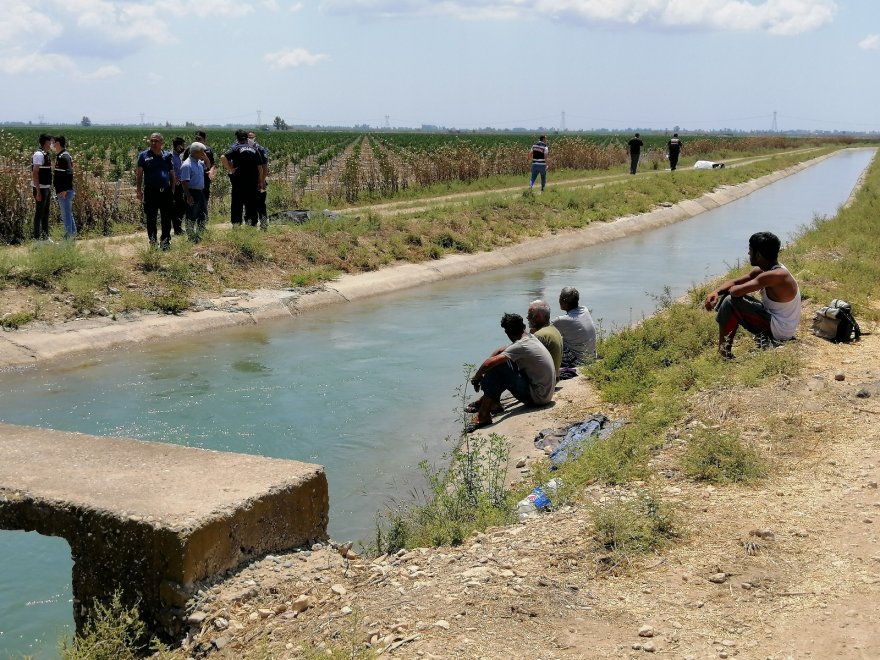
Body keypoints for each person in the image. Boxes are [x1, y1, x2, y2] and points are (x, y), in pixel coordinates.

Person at [703, 231, 801, 359]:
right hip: (777, 322)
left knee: (730, 301)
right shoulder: (768, 269)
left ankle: (723, 353)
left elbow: (735, 291)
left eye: (750, 250)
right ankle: (724, 349)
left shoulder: (775, 275)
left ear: (758, 254)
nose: (748, 253)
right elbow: (735, 282)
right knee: (730, 297)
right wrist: (715, 292)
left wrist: (727, 292)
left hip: (780, 330)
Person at [467, 313, 556, 430]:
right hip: (546, 393)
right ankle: (493, 403)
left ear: (507, 332)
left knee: (498, 368)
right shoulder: (530, 338)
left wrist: (477, 377)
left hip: (538, 397)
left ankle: (483, 415)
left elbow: (489, 363)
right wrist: (492, 359)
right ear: (523, 327)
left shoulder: (521, 346)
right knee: (502, 363)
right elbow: (501, 351)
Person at [135, 132, 176, 249]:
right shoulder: (143, 155)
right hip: (151, 191)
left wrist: (172, 190)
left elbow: (172, 174)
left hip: (166, 192)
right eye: (151, 140)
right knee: (151, 218)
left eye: (156, 141)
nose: (153, 143)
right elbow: (139, 174)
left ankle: (165, 242)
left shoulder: (167, 156)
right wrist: (138, 190)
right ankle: (153, 242)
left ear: (162, 143)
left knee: (166, 218)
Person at [221, 129, 264, 226]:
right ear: (246, 138)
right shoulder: (255, 150)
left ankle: (236, 224)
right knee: (251, 203)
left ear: (237, 138)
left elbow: (223, 157)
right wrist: (261, 181)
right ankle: (252, 223)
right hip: (252, 181)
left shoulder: (235, 149)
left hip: (238, 181)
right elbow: (260, 168)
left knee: (237, 203)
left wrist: (230, 169)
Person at [552, 286, 597, 367]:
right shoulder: (585, 310)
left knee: (550, 340)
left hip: (579, 361)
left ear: (563, 301)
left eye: (559, 297)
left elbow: (542, 329)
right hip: (592, 357)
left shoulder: (562, 320)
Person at [179, 142, 209, 241]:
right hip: (191, 192)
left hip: (200, 192)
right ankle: (191, 237)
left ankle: (200, 234)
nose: (203, 154)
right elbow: (184, 182)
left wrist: (204, 157)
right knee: (191, 215)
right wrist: (188, 196)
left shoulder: (198, 162)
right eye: (202, 152)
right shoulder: (187, 165)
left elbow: (208, 165)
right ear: (196, 152)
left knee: (202, 213)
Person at [527, 299, 562, 375]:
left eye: (529, 315)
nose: (527, 318)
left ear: (538, 317)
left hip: (543, 383)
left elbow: (526, 359)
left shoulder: (539, 336)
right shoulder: (554, 329)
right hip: (554, 377)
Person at [52, 135, 76, 240]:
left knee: (66, 216)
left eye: (53, 143)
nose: (52, 145)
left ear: (58, 144)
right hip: (63, 191)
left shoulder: (64, 157)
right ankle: (72, 235)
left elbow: (69, 172)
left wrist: (65, 189)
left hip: (64, 192)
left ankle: (67, 240)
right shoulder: (60, 156)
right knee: (68, 214)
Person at [183, 131, 216, 204]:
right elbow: (183, 163)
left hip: (205, 177)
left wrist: (211, 171)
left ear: (204, 140)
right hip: (192, 179)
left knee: (204, 198)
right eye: (196, 138)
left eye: (199, 139)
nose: (197, 141)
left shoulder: (208, 150)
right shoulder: (189, 149)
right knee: (193, 202)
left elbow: (212, 164)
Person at [31, 133, 53, 241]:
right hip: (40, 188)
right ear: (45, 143)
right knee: (39, 214)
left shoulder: (46, 154)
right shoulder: (39, 155)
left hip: (46, 188)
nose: (51, 145)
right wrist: (38, 191)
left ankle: (45, 237)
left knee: (45, 213)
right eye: (50, 142)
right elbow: (35, 173)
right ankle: (36, 239)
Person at [247, 131, 270, 229]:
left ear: (255, 137)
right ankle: (252, 224)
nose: (250, 139)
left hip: (259, 181)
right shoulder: (246, 149)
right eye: (248, 137)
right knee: (250, 204)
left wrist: (262, 181)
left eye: (252, 137)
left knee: (261, 204)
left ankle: (264, 224)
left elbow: (264, 167)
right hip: (249, 182)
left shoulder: (260, 149)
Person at [170, 137, 186, 236]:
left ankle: (178, 228)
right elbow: (170, 170)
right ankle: (177, 229)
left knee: (181, 208)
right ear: (177, 146)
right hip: (175, 186)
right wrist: (175, 180)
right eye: (182, 146)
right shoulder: (171, 156)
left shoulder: (178, 156)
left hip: (180, 186)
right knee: (177, 208)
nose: (183, 147)